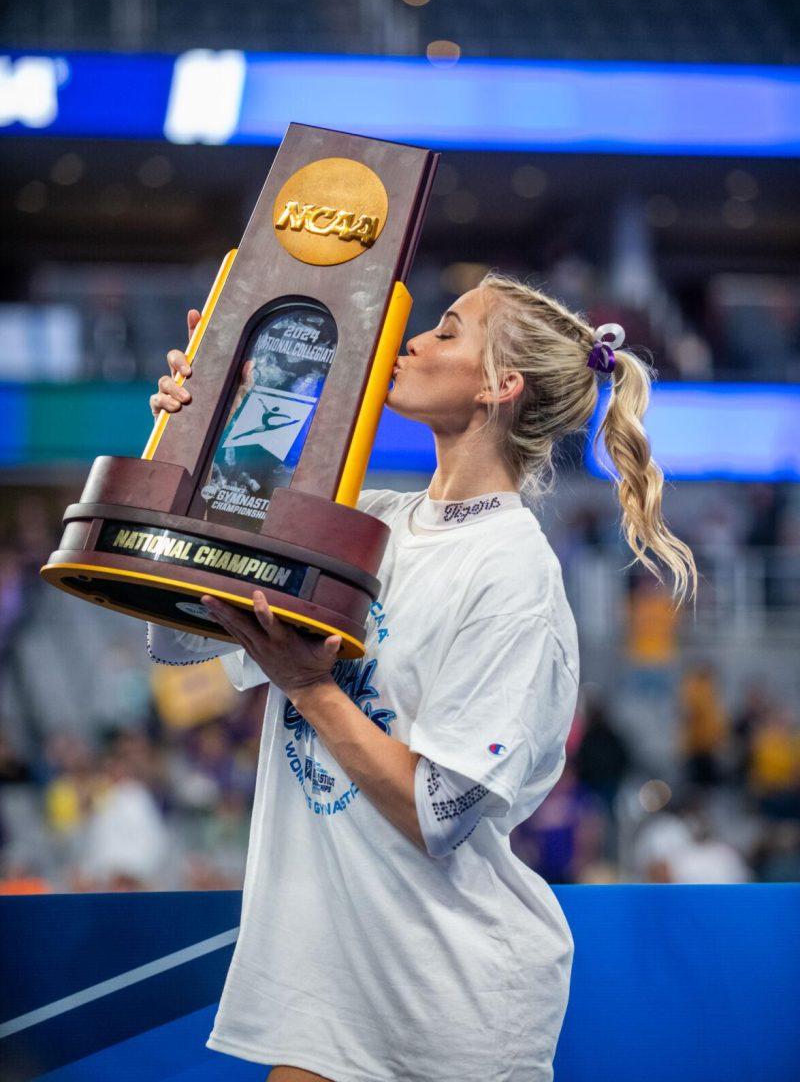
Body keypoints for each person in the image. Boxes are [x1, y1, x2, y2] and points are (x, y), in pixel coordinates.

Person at [148, 273, 697, 1082]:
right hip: (322, 993)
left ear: (498, 386)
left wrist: (310, 688)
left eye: (447, 329)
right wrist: (205, 439)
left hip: (447, 1008)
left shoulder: (515, 574)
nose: (413, 340)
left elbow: (438, 811)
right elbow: (180, 641)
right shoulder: (369, 521)